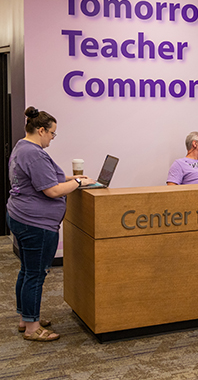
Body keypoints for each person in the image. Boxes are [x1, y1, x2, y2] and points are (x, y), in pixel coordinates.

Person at [6, 106, 96, 342]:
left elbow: (46, 176)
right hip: (35, 224)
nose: (52, 139)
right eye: (52, 134)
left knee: (27, 270)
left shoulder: (22, 146)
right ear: (42, 130)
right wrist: (77, 182)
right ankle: (33, 328)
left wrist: (73, 179)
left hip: (20, 216)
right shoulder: (34, 153)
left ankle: (26, 318)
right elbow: (52, 190)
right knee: (35, 274)